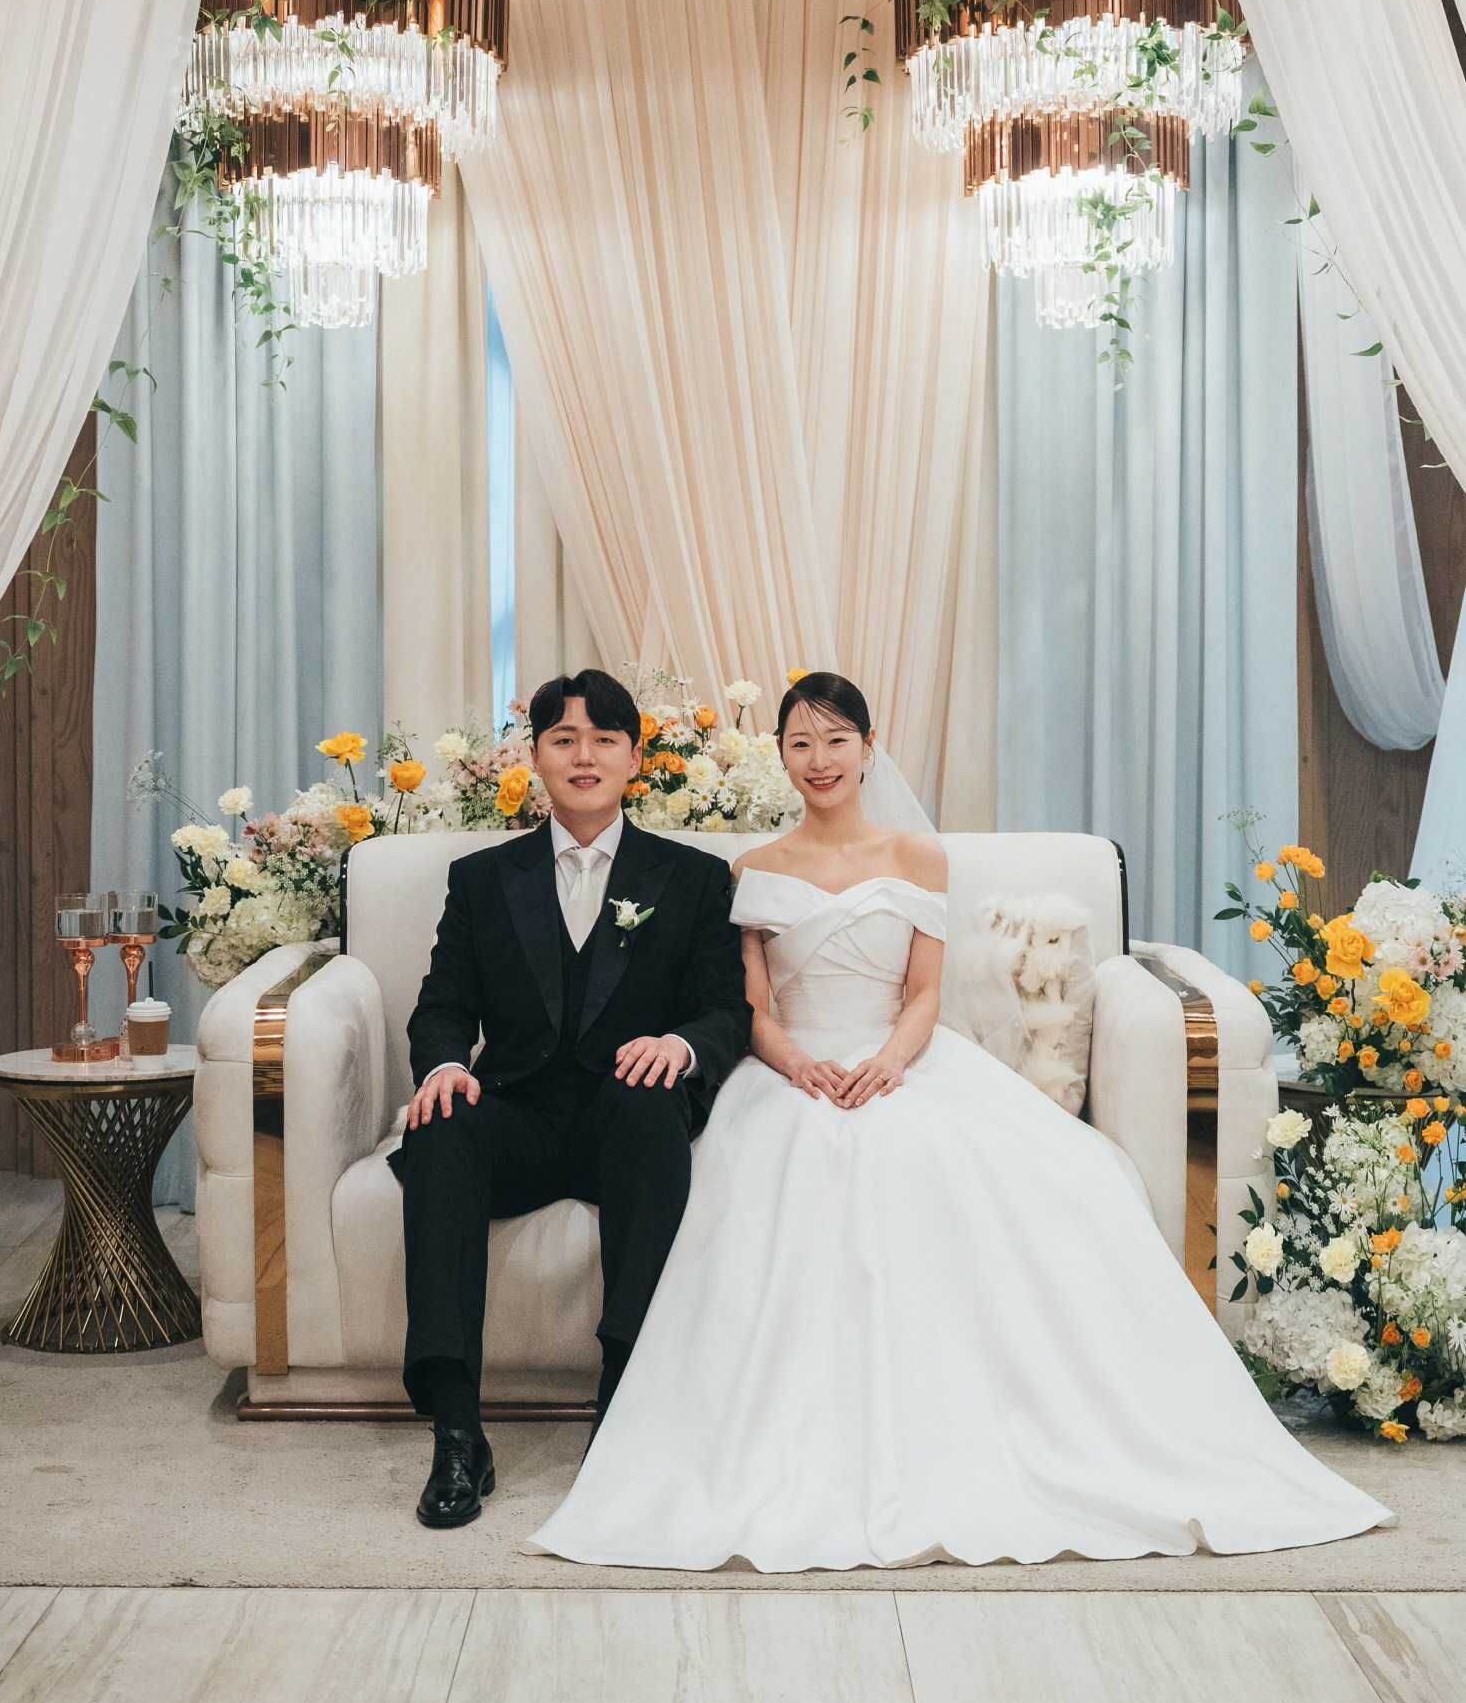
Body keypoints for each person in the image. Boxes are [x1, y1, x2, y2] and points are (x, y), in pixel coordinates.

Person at [529, 671, 1391, 1570]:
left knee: (1018, 1177)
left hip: (900, 1059)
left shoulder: (919, 858)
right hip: (790, 1071)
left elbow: (922, 994)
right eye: (800, 743)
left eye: (836, 740)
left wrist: (888, 1063)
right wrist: (799, 1065)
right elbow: (746, 1006)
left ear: (869, 747)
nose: (819, 760)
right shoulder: (749, 873)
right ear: (779, 754)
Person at [390, 668, 751, 1530]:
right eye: (564, 738)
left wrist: (680, 1046)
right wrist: (443, 1068)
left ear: (635, 758)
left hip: (624, 1121)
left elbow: (725, 1010)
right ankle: (456, 1431)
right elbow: (443, 1008)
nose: (584, 755)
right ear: (537, 757)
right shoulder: (482, 879)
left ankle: (623, 1404)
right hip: (516, 1113)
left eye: (604, 739)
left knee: (650, 1102)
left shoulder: (695, 879)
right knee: (438, 1123)